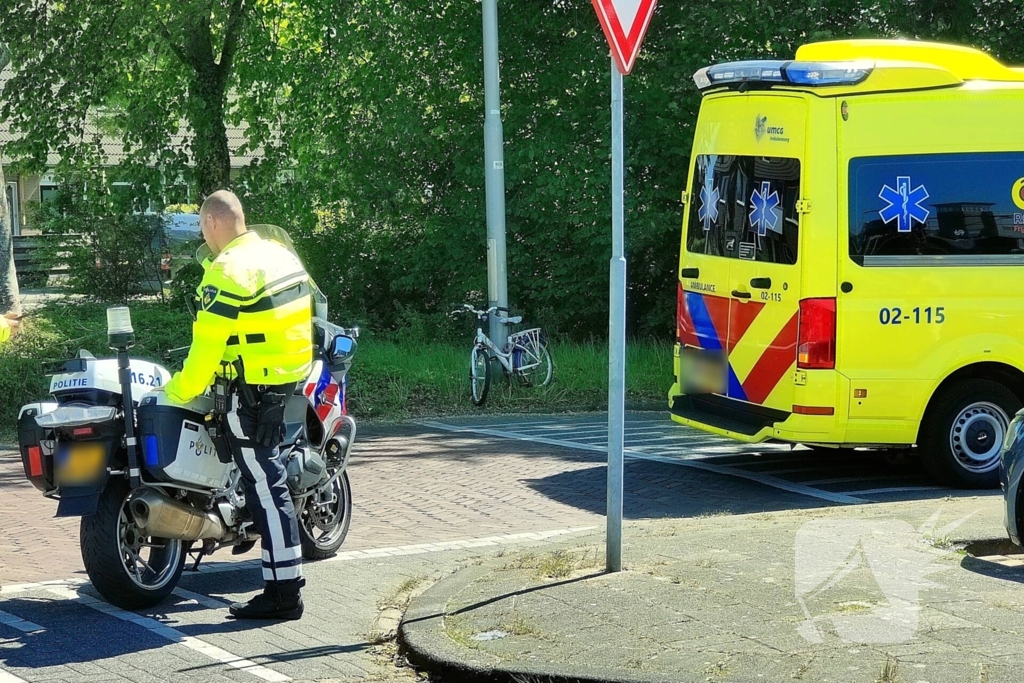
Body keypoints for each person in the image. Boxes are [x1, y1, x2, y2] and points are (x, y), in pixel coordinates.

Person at [161, 190, 313, 620]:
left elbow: (205, 353)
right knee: (270, 482)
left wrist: (174, 393)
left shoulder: (226, 271)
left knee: (267, 489)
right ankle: (282, 585)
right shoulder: (279, 253)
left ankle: (285, 594)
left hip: (249, 396)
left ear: (210, 224)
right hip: (286, 386)